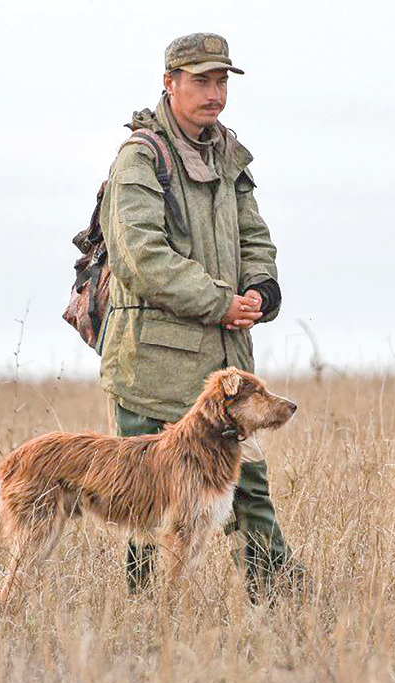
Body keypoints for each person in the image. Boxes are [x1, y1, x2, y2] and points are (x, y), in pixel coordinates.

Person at [96, 32, 301, 602]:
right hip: (153, 367)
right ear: (170, 82)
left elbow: (255, 236)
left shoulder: (229, 155)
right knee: (142, 504)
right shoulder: (140, 158)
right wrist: (220, 301)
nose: (215, 94)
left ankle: (282, 604)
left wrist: (261, 288)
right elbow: (141, 257)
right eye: (202, 81)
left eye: (221, 82)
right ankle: (142, 617)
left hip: (225, 366)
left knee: (248, 488)